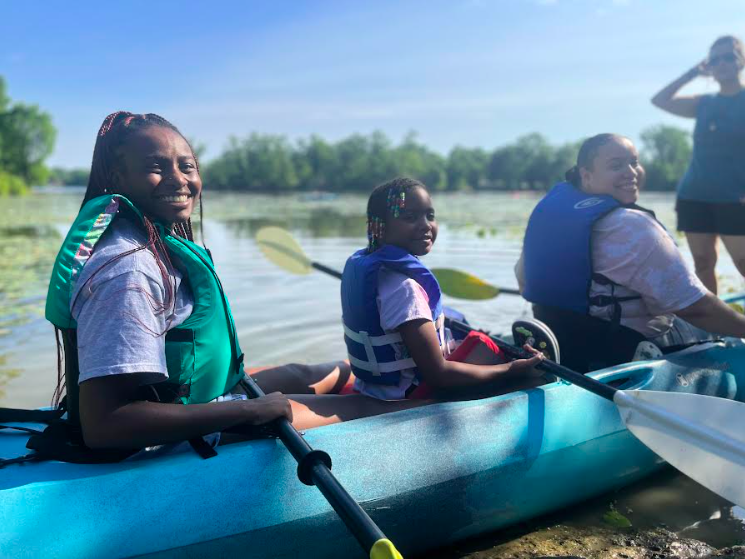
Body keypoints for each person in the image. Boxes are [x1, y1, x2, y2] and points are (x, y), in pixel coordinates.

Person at [45, 112, 423, 457]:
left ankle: (364, 372)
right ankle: (411, 399)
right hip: (172, 432)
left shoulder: (152, 238)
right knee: (368, 407)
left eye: (187, 166)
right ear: (117, 178)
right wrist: (248, 409)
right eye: (155, 167)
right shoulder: (128, 269)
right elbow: (104, 425)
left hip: (195, 399)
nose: (179, 179)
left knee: (303, 373)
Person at [515, 134, 745, 373]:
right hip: (620, 353)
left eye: (634, 162)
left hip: (559, 343)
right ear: (586, 175)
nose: (631, 172)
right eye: (616, 165)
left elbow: (523, 281)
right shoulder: (633, 226)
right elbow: (698, 309)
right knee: (722, 334)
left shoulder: (550, 214)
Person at [341, 177, 544, 401]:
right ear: (378, 227)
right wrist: (510, 369)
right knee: (493, 353)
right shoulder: (405, 290)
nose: (426, 225)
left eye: (430, 215)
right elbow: (439, 374)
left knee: (474, 338)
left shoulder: (377, 271)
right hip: (405, 396)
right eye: (410, 217)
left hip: (375, 387)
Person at [651, 35, 745, 294]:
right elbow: (659, 100)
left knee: (742, 263)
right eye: (715, 59)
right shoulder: (703, 103)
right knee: (703, 265)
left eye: (729, 57)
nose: (722, 63)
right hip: (694, 196)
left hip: (736, 199)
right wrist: (693, 72)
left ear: (741, 61)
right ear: (709, 66)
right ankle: (715, 330)